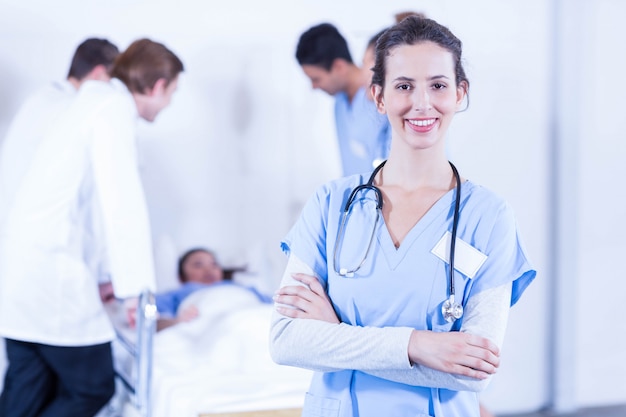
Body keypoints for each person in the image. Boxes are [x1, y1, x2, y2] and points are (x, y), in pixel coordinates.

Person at [270, 15, 536, 417]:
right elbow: (287, 340)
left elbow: (474, 374)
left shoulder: (489, 217)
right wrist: (417, 345)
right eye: (404, 86)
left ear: (460, 93)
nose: (422, 103)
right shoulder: (331, 204)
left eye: (438, 85)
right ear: (378, 97)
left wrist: (337, 335)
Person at [0, 38, 184, 416]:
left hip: (22, 269)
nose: (168, 104)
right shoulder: (112, 108)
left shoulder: (87, 103)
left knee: (28, 383)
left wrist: (106, 273)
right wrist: (135, 290)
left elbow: (88, 204)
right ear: (158, 85)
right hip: (51, 276)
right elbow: (119, 201)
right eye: (172, 93)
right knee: (93, 387)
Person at [0, 38, 119, 226]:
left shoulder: (42, 98)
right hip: (29, 230)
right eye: (110, 81)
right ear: (98, 73)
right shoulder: (70, 111)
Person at [295, 22, 390, 176]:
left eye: (316, 79)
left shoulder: (381, 101)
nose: (313, 87)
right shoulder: (339, 104)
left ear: (339, 67)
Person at [155, 248, 271, 331]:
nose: (208, 269)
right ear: (181, 276)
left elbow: (275, 307)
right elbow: (151, 320)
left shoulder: (242, 288)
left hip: (252, 314)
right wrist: (177, 322)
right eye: (198, 265)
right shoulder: (178, 293)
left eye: (214, 264)